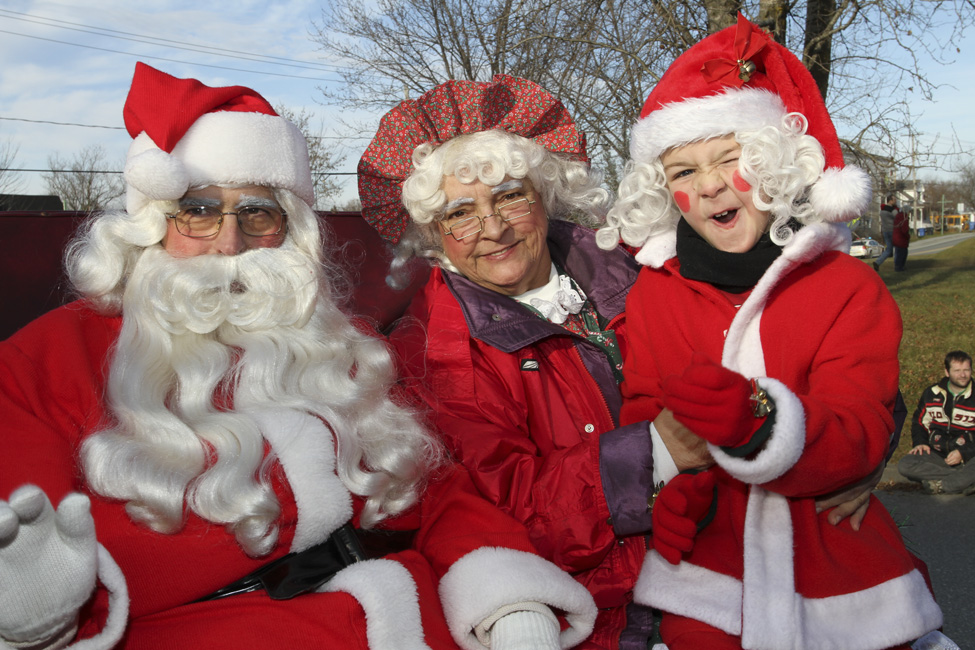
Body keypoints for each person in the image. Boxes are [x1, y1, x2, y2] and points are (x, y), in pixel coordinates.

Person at [0, 63, 599, 650]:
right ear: (153, 224)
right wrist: (35, 617)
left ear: (290, 231)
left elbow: (438, 488)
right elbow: (25, 547)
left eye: (256, 213)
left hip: (419, 618)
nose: (229, 242)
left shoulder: (341, 337)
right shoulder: (50, 358)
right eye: (199, 211)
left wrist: (510, 600)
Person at [357, 75, 877, 650]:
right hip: (603, 617)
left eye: (509, 196)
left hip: (744, 573)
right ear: (433, 233)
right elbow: (503, 514)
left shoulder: (642, 267)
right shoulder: (431, 353)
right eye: (461, 213)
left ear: (544, 195)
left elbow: (793, 331)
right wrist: (657, 452)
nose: (494, 228)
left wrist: (858, 443)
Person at [597, 14, 942, 650]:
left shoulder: (846, 286)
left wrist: (763, 422)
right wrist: (680, 493)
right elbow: (648, 409)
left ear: (773, 163)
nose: (707, 186)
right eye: (680, 172)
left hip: (839, 574)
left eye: (730, 159)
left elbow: (862, 427)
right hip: (708, 578)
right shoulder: (652, 295)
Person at [898, 350, 975, 495]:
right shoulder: (931, 393)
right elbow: (919, 422)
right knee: (905, 465)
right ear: (947, 372)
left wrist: (963, 453)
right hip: (939, 455)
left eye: (966, 370)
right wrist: (920, 442)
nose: (963, 375)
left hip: (969, 457)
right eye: (957, 371)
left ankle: (943, 485)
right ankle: (963, 481)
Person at [874, 194, 899, 271]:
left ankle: (878, 262)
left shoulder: (882, 210)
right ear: (890, 201)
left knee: (889, 249)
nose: (895, 201)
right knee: (898, 248)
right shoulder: (893, 211)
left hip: (885, 231)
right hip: (892, 230)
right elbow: (898, 218)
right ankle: (898, 266)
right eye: (894, 200)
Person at [893, 204, 911, 271]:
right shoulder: (904, 217)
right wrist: (908, 236)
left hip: (895, 237)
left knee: (898, 253)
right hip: (901, 238)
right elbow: (904, 230)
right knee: (903, 253)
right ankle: (900, 267)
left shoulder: (897, 216)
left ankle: (897, 266)